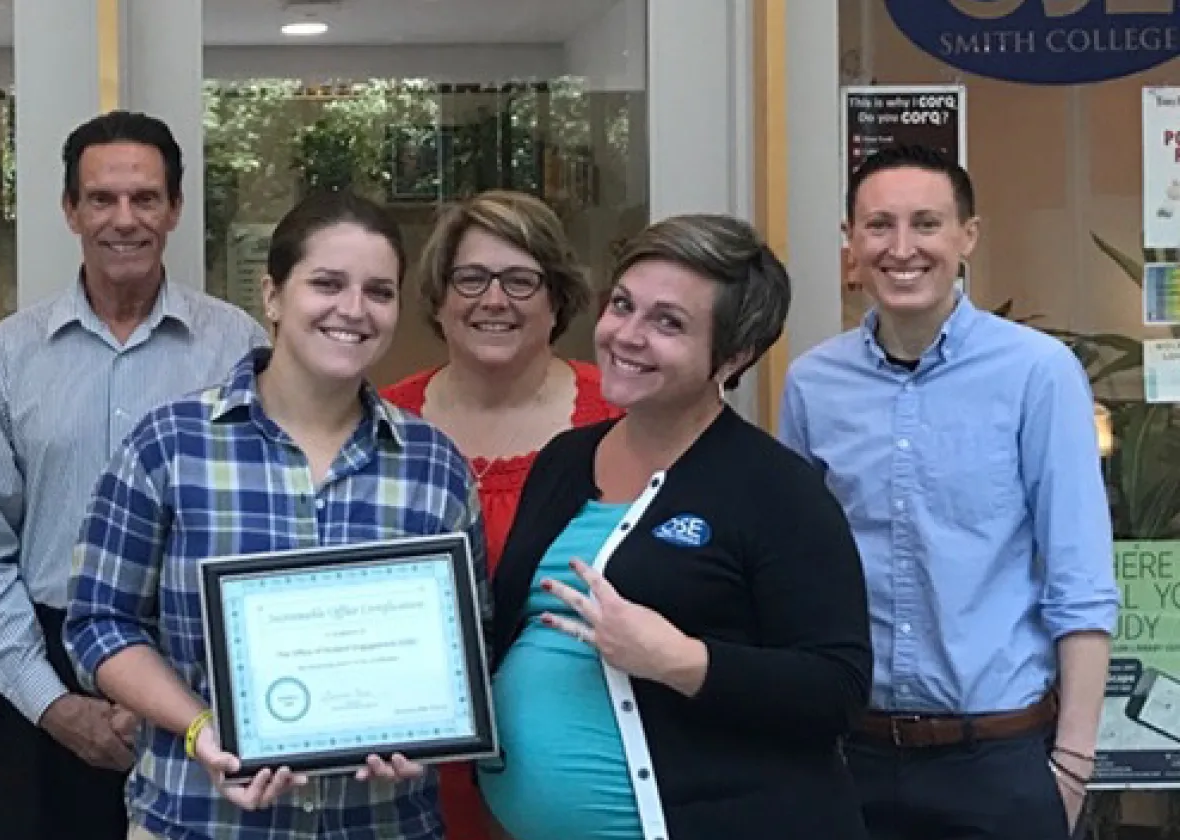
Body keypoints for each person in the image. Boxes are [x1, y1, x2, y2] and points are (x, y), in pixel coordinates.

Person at [64, 189, 488, 840]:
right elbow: (99, 623)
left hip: (378, 825)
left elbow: (467, 637)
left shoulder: (433, 465)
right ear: (272, 296)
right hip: (201, 822)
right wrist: (200, 726)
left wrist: (424, 724)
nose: (353, 310)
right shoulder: (170, 446)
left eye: (379, 291)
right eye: (326, 283)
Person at [479, 214, 873, 840]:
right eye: (622, 306)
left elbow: (838, 690)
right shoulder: (564, 460)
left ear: (736, 354)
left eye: (668, 323)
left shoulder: (777, 490)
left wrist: (680, 660)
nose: (627, 336)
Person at [0, 110, 266, 840]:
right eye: (102, 199)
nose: (125, 219)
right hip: (41, 669)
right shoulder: (10, 354)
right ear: (70, 209)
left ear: (174, 209)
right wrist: (53, 703)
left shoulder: (238, 348)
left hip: (195, 667)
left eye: (145, 198)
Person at [778, 144, 1119, 840]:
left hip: (1000, 761)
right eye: (879, 226)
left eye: (926, 224)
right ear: (851, 242)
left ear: (968, 237)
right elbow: (793, 578)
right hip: (852, 758)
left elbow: (1080, 580)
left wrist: (1073, 767)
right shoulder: (813, 385)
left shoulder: (1037, 374)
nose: (902, 248)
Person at [382, 190, 619, 839]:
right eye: (472, 278)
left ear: (556, 299)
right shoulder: (379, 426)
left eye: (521, 280)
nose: (494, 300)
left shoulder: (622, 421)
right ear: (439, 296)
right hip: (408, 768)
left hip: (575, 765)